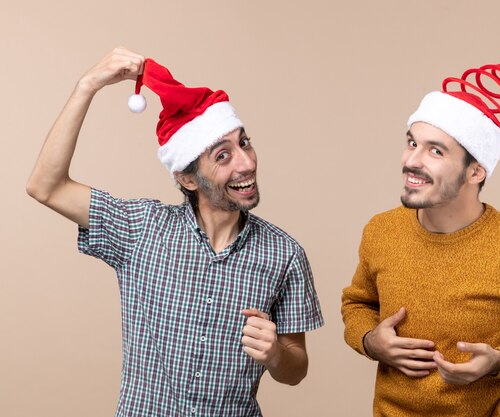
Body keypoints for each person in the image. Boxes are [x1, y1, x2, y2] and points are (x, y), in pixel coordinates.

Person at [26, 47, 324, 417]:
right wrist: (87, 86)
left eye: (244, 143)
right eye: (222, 155)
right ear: (186, 178)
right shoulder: (141, 229)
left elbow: (297, 369)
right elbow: (46, 186)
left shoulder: (285, 254)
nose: (247, 163)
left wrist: (277, 353)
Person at [341, 60, 500, 416]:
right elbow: (358, 304)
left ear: (476, 171)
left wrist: (499, 362)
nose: (411, 161)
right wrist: (370, 341)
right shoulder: (382, 231)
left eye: (435, 151)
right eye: (412, 142)